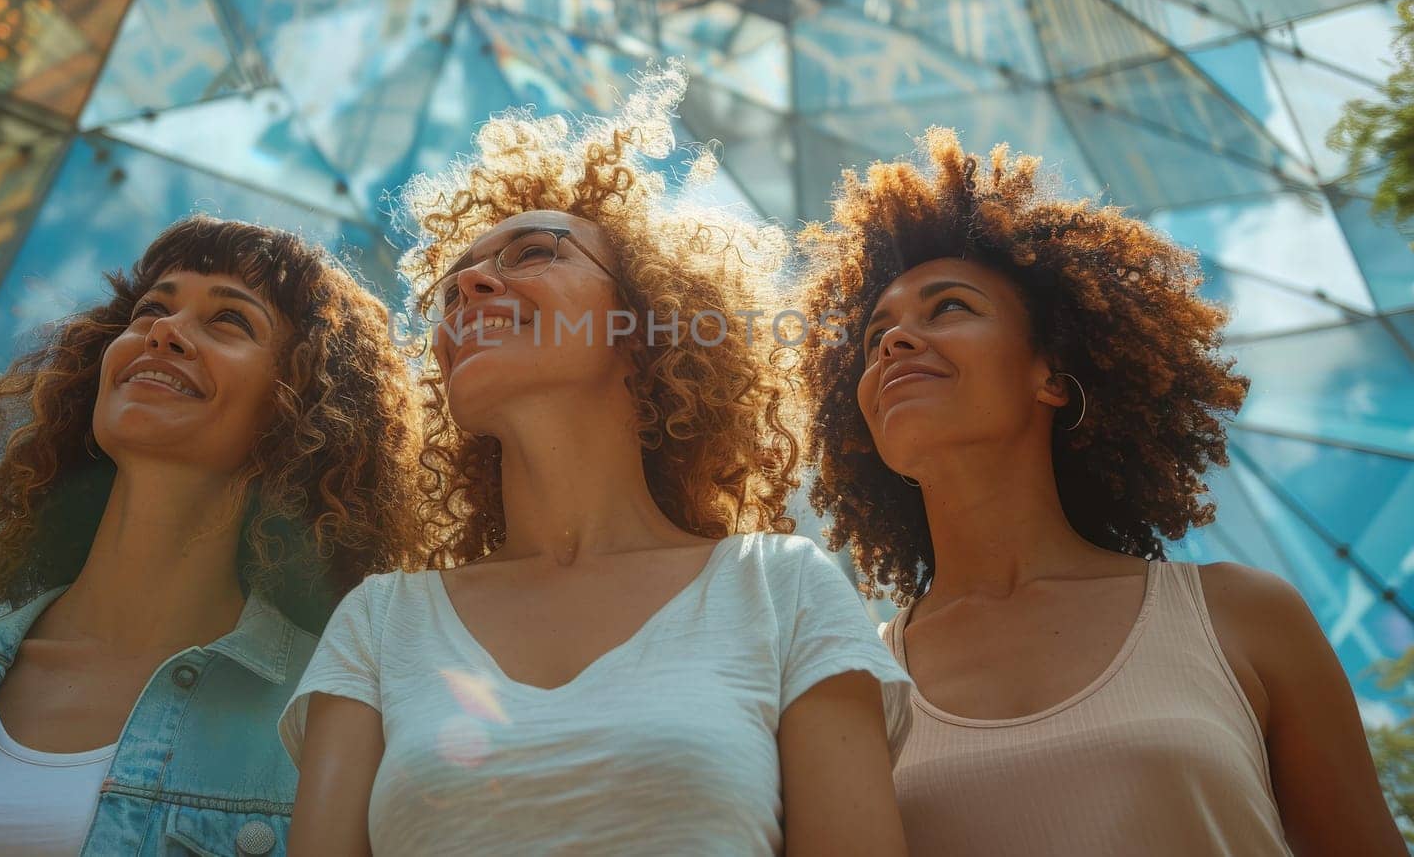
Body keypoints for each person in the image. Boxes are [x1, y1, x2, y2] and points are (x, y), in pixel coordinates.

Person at [283, 66, 913, 856]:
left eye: (535, 253)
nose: (471, 284)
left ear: (644, 324)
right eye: (452, 288)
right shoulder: (380, 627)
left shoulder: (780, 590)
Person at [793, 127, 1404, 856]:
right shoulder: (851, 686)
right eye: (874, 338)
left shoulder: (1242, 617)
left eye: (948, 307)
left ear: (1051, 373)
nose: (893, 342)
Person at [0, 217, 423, 856]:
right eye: (152, 309)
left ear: (303, 409)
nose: (164, 331)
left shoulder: (334, 719)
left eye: (229, 321)